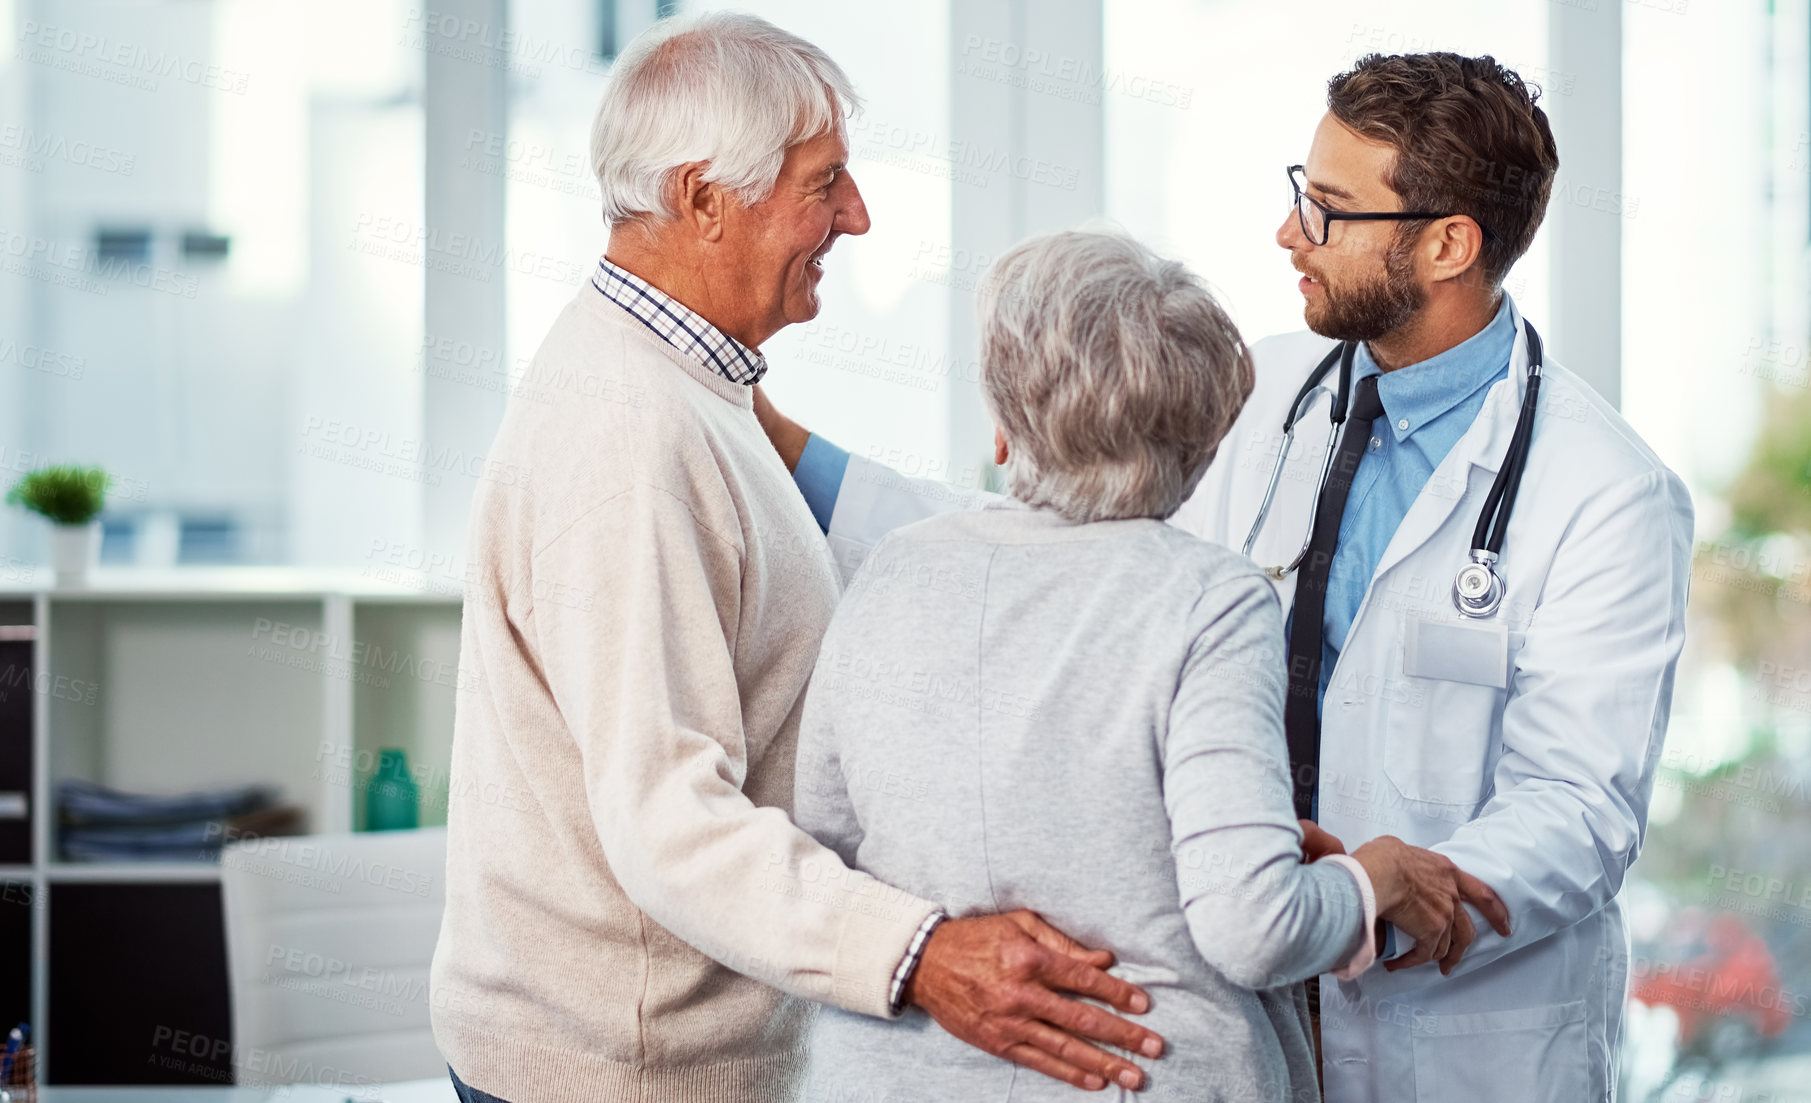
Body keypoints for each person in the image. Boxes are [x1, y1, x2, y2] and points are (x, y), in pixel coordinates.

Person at [756, 52, 1692, 1103]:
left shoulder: (1603, 490)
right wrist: (792, 452)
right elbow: (1077, 544)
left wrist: (1361, 902)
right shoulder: (1263, 385)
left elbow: (1575, 807)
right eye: (1302, 192)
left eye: (1329, 210)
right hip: (1240, 990)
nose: (1288, 232)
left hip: (1450, 1033)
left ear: (1445, 243)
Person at [428, 14, 1164, 1103]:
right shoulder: (630, 434)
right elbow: (666, 816)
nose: (855, 216)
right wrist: (918, 951)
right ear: (702, 198)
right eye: (824, 184)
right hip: (620, 1071)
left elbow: (849, 577)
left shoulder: (690, 383)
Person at [789, 229, 1508, 1102]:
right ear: (1203, 442)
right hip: (1140, 1070)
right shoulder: (1211, 597)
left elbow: (825, 847)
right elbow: (1255, 927)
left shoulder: (892, 567)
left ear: (1005, 428)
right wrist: (1376, 876)